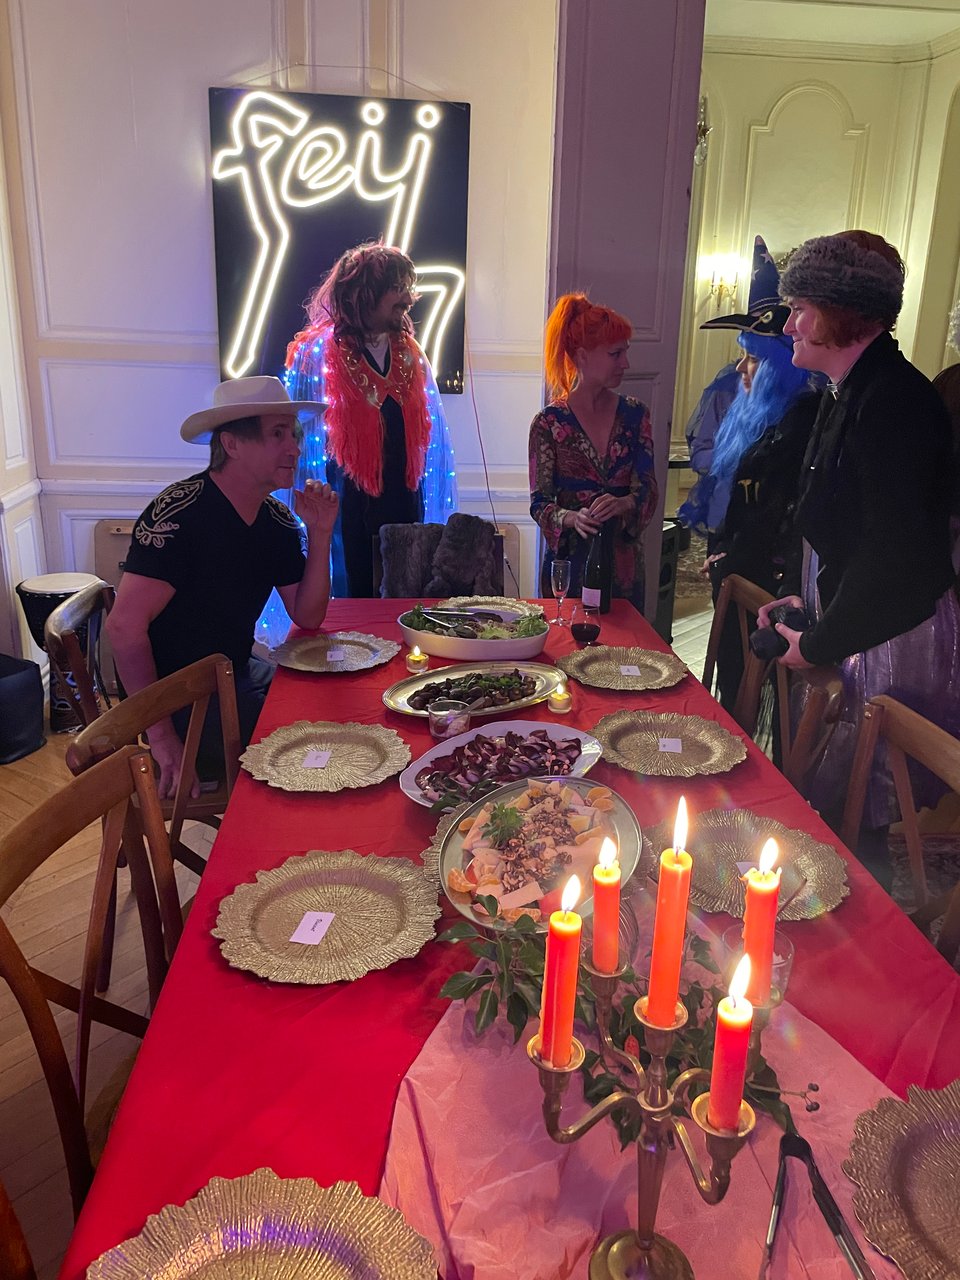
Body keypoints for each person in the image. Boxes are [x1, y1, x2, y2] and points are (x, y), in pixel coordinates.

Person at [757, 229, 960, 888]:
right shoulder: (853, 387)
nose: (788, 323)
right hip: (860, 617)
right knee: (837, 797)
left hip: (891, 632)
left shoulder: (897, 402)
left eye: (800, 308)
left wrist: (819, 642)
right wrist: (804, 600)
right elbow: (841, 525)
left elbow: (894, 558)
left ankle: (855, 920)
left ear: (843, 314)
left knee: (860, 805)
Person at [107, 376, 339, 796]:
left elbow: (308, 615)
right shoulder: (178, 516)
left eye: (294, 434)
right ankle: (272, 830)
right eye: (278, 434)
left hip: (233, 673)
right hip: (173, 698)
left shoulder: (277, 521)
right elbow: (123, 628)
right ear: (231, 444)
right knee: (306, 747)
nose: (294, 448)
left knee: (328, 707)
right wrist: (160, 736)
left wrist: (320, 534)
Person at [679, 239, 821, 710]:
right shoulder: (755, 415)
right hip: (738, 573)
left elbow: (784, 515)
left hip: (775, 591)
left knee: (765, 696)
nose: (741, 368)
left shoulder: (802, 421)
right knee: (733, 680)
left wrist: (734, 556)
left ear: (778, 367)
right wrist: (724, 550)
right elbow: (742, 498)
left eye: (754, 359)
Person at [284, 242, 456, 597]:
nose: (408, 299)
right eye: (397, 288)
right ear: (366, 294)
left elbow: (429, 440)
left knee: (405, 594)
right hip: (344, 510)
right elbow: (295, 436)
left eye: (408, 288)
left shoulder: (410, 352)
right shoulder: (316, 353)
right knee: (352, 597)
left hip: (405, 503)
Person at [528, 293, 658, 611]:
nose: (626, 363)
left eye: (625, 352)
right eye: (615, 354)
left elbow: (649, 491)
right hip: (568, 568)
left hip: (623, 567)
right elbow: (540, 503)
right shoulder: (549, 423)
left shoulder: (636, 415)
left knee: (625, 640)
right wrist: (572, 517)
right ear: (583, 356)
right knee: (566, 639)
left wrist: (624, 502)